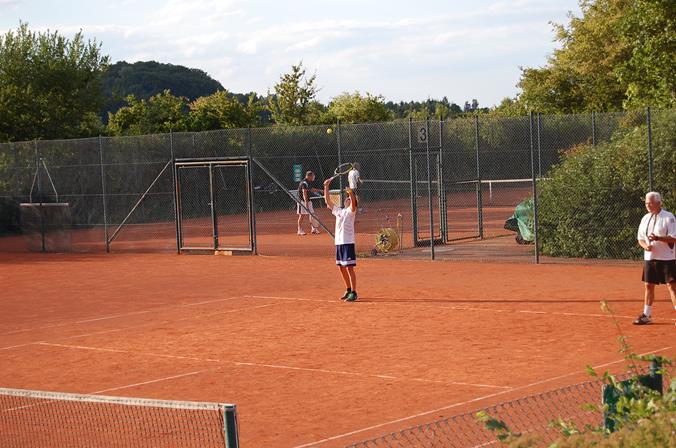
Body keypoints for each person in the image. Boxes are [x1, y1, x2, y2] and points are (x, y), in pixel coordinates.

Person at [633, 191, 676, 325]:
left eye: (650, 203)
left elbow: (674, 238)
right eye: (646, 203)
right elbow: (640, 238)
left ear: (658, 203)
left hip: (667, 258)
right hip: (650, 258)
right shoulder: (645, 218)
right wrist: (645, 246)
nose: (648, 205)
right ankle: (646, 315)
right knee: (648, 285)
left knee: (672, 286)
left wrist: (658, 238)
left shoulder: (669, 217)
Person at [324, 177, 358, 302]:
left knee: (349, 268)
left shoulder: (351, 211)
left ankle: (354, 292)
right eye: (347, 198)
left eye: (349, 199)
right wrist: (326, 186)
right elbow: (328, 202)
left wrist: (351, 193)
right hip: (339, 243)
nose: (347, 199)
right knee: (341, 267)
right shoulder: (339, 211)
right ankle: (348, 289)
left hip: (348, 242)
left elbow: (354, 204)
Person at [297, 171, 322, 235]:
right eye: (313, 176)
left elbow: (311, 189)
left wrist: (320, 190)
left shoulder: (309, 182)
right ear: (309, 176)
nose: (313, 177)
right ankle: (299, 230)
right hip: (302, 201)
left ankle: (313, 229)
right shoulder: (304, 183)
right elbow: (304, 193)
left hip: (308, 200)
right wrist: (306, 203)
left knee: (312, 214)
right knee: (302, 215)